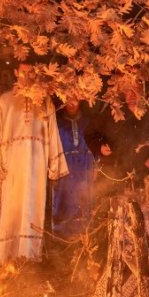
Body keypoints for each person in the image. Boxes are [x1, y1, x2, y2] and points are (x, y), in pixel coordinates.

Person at [0, 62, 69, 264]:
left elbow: (52, 132)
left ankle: (29, 256)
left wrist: (54, 164)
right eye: (24, 72)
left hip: (36, 162)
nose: (27, 75)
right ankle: (8, 257)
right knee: (12, 206)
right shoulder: (4, 101)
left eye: (32, 72)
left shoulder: (45, 102)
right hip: (12, 164)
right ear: (16, 73)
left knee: (32, 206)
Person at [51, 99, 95, 240]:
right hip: (65, 167)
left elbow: (94, 146)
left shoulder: (88, 122)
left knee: (84, 199)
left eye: (74, 99)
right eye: (68, 99)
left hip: (84, 166)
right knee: (63, 200)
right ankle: (61, 238)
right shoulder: (56, 124)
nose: (72, 102)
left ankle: (83, 237)